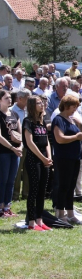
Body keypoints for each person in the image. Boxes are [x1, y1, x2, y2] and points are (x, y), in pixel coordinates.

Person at [52, 94, 82, 224]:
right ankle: (60, 213)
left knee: (71, 186)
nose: (75, 109)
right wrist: (76, 137)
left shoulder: (71, 119)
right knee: (64, 185)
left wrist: (80, 135)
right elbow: (59, 138)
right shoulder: (59, 120)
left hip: (75, 157)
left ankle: (70, 213)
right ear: (66, 106)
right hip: (64, 157)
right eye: (73, 106)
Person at [22, 96, 52, 231]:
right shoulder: (27, 121)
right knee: (33, 191)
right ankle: (31, 222)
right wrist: (42, 158)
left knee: (42, 190)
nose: (42, 104)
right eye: (39, 103)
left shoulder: (42, 122)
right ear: (32, 105)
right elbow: (29, 143)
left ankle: (40, 220)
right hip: (33, 159)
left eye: (42, 102)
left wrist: (49, 157)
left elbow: (46, 141)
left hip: (45, 159)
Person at [0, 90, 22, 218]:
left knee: (11, 180)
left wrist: (20, 146)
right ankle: (1, 207)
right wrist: (12, 148)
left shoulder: (14, 114)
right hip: (3, 152)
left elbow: (19, 133)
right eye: (6, 98)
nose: (9, 100)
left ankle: (7, 207)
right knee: (2, 180)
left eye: (10, 97)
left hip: (15, 151)